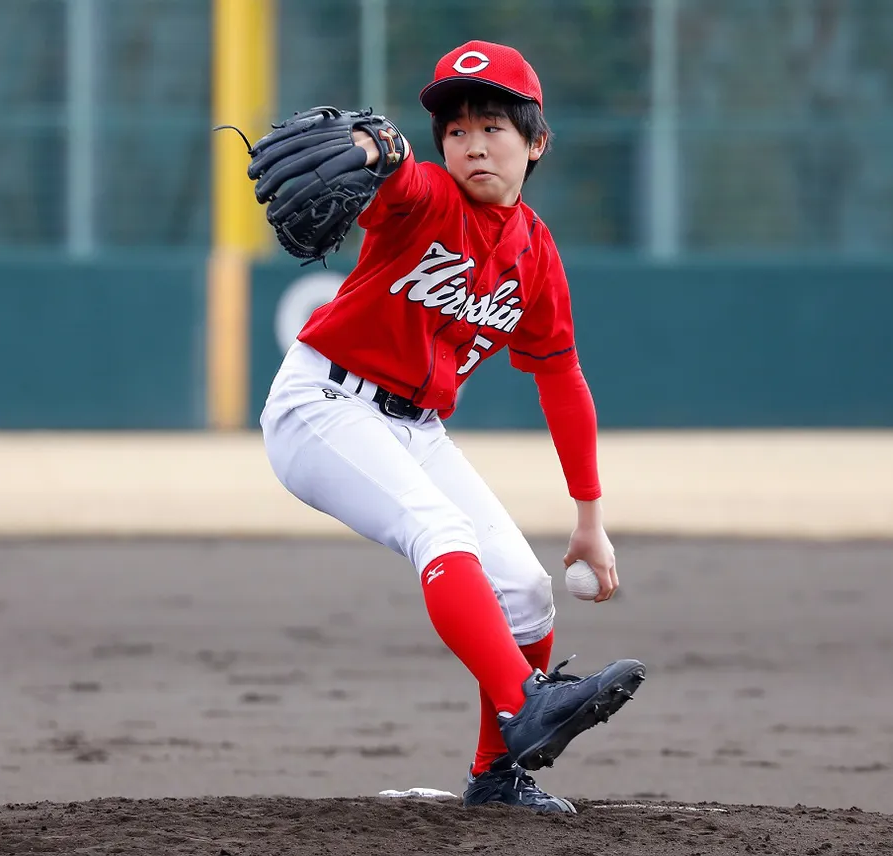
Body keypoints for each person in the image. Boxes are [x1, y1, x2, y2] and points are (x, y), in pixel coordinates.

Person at [259, 40, 645, 814]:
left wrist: (589, 519)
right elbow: (392, 173)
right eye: (457, 128)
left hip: (416, 429)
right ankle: (524, 705)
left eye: (494, 127)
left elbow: (562, 381)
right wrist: (378, 144)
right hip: (322, 407)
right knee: (440, 531)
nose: (473, 143)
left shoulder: (535, 253)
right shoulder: (428, 197)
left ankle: (499, 776)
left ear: (536, 144)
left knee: (527, 593)